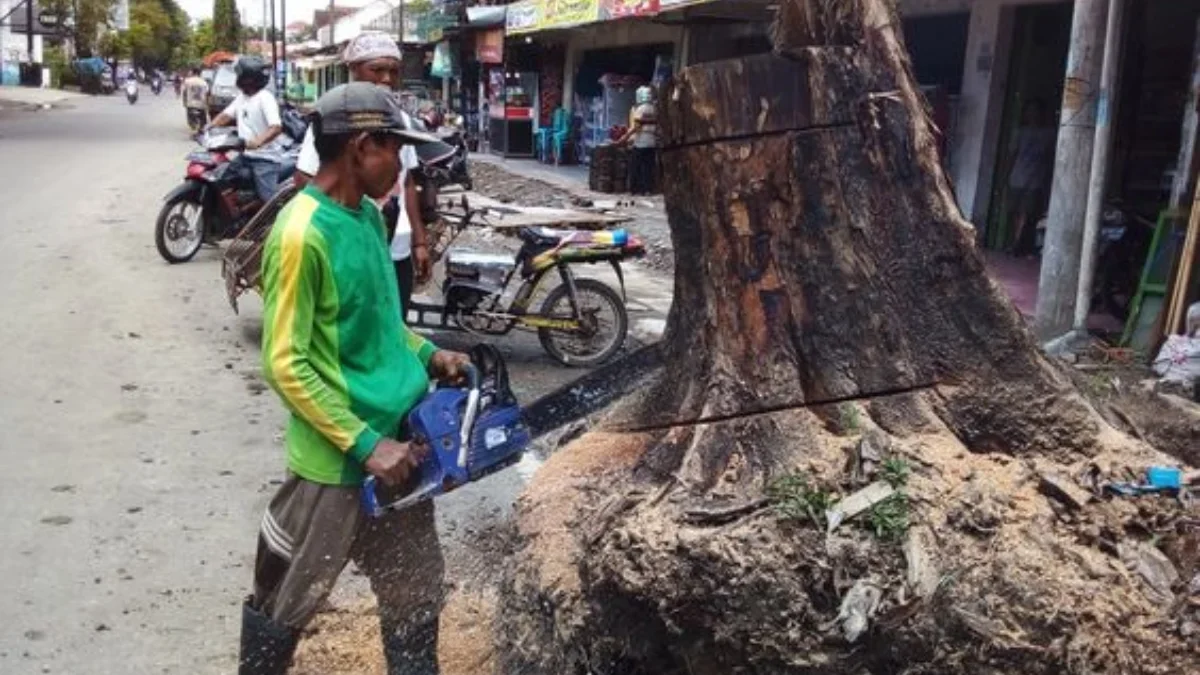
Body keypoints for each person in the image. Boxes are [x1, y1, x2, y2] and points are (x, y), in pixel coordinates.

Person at [238, 82, 469, 675]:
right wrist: (366, 445)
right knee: (285, 598)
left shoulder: (367, 216)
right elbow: (286, 362)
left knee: (416, 595)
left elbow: (378, 324)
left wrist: (426, 354)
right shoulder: (300, 234)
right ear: (364, 145)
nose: (401, 165)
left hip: (402, 451)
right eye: (396, 149)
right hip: (336, 466)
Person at [295, 32, 445, 314]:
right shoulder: (336, 117)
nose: (386, 79)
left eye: (393, 71)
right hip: (348, 247)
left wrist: (419, 241)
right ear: (353, 70)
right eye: (377, 70)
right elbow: (305, 177)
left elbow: (408, 181)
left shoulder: (398, 119)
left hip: (395, 247)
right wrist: (343, 225)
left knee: (393, 323)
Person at [206, 56, 287, 203]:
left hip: (265, 159)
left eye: (239, 75)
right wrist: (208, 128)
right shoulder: (242, 97)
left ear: (247, 78)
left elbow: (275, 127)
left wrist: (257, 142)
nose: (236, 78)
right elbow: (225, 115)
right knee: (220, 180)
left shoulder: (265, 98)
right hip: (246, 156)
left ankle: (274, 223)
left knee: (268, 202)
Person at [1004, 99, 1056, 255]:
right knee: (1015, 212)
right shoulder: (1019, 132)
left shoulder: (1048, 134)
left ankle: (1020, 245)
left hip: (1035, 180)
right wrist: (1006, 176)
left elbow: (1050, 157)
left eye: (1035, 111)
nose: (1032, 114)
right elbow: (1012, 155)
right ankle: (1015, 243)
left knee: (1028, 213)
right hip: (1017, 177)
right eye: (1030, 111)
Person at [619, 85, 659, 195]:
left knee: (635, 166)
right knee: (648, 167)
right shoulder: (654, 108)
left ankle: (634, 189)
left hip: (641, 141)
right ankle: (647, 189)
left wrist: (625, 137)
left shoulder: (640, 109)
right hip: (652, 141)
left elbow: (636, 126)